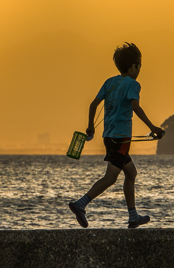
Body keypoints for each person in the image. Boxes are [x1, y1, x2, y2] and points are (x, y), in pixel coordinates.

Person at [68, 42, 166, 229]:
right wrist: (153, 127)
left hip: (108, 137)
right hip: (121, 139)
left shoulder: (109, 82)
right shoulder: (133, 84)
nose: (139, 70)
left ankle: (133, 217)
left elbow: (92, 105)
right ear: (133, 67)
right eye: (139, 66)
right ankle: (81, 204)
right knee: (111, 177)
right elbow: (135, 107)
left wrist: (90, 127)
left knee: (131, 173)